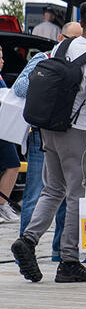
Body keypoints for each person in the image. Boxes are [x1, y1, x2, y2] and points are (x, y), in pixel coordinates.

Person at [11, 0, 86, 284]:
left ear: (81, 20)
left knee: (52, 189)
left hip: (49, 128)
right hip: (77, 132)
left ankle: (28, 240)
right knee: (77, 195)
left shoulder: (62, 47)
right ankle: (69, 261)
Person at [13, 23, 81, 258]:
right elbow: (20, 87)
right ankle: (25, 250)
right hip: (41, 133)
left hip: (68, 133)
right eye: (72, 39)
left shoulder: (82, 61)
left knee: (66, 195)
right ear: (60, 38)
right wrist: (50, 80)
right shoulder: (44, 58)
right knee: (37, 192)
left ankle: (59, 250)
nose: (76, 44)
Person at [0, 49, 20, 223]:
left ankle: (3, 203)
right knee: (13, 165)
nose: (2, 61)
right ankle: (2, 205)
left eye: (2, 57)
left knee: (13, 165)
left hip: (4, 128)